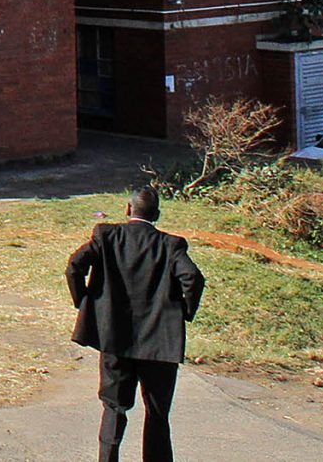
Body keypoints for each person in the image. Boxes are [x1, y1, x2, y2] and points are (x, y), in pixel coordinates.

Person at [66, 187, 204, 462]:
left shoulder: (107, 236)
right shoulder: (171, 245)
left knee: (114, 407)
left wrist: (84, 301)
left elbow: (74, 266)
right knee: (157, 413)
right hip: (158, 343)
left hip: (114, 337)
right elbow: (193, 278)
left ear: (128, 209)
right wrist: (184, 312)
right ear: (157, 215)